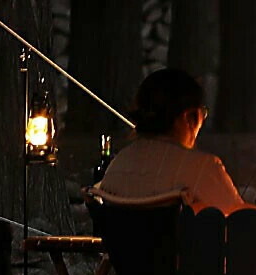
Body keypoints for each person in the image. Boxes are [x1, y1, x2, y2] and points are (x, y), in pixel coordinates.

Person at [97, 68, 245, 216]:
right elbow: (242, 220)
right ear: (190, 117)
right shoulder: (201, 167)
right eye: (203, 114)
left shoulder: (117, 166)